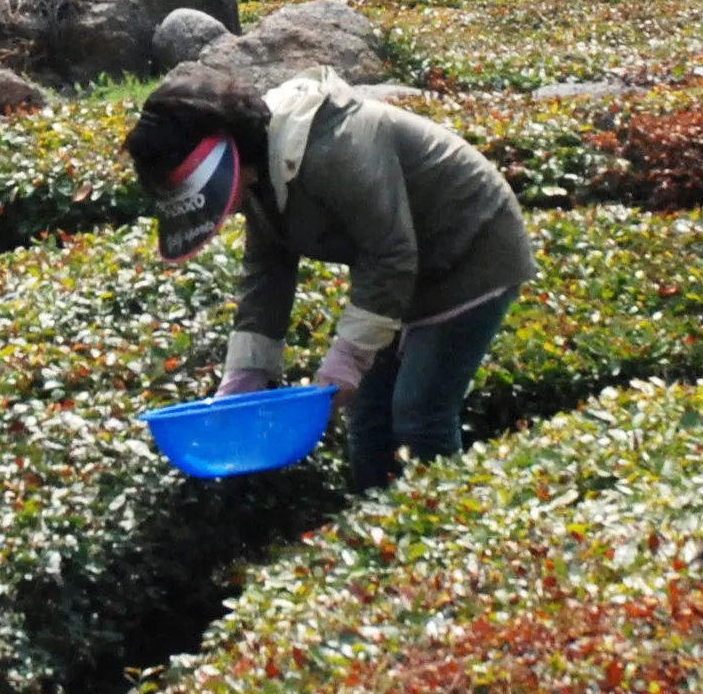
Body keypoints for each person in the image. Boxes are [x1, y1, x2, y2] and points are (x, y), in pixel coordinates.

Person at [125, 64, 533, 493]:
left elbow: (390, 254)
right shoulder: (261, 172)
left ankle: (447, 530)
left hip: (471, 249)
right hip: (403, 274)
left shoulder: (334, 146)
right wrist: (246, 375)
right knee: (368, 417)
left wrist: (350, 356)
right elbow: (267, 271)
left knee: (419, 413)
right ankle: (377, 532)